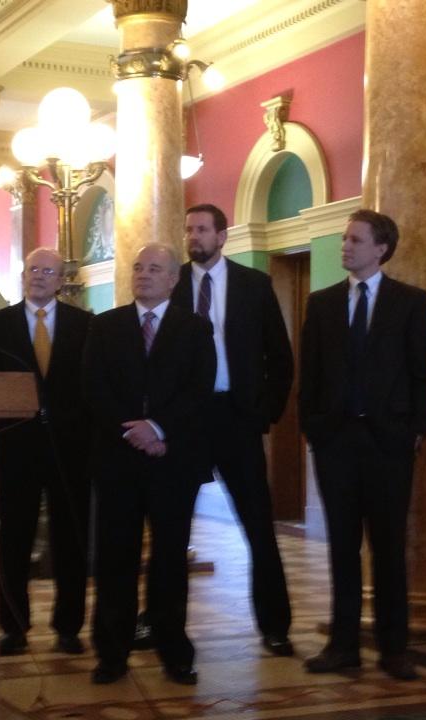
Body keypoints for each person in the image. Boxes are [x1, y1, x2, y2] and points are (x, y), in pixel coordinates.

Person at [137, 203, 296, 656]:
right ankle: (159, 621)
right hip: (182, 420)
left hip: (237, 418)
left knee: (258, 525)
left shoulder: (254, 285)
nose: (194, 237)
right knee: (170, 528)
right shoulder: (173, 285)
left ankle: (275, 625)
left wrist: (264, 414)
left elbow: (279, 357)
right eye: (189, 229)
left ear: (222, 236)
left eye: (203, 229)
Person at [298, 208, 426, 681]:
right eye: (344, 238)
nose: (346, 246)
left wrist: (415, 430)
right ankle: (343, 646)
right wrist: (313, 428)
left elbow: (422, 374)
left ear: (381, 248)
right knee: (341, 547)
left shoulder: (409, 302)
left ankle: (394, 649)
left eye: (356, 240)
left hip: (388, 445)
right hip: (335, 442)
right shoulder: (321, 304)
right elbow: (310, 374)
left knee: (389, 547)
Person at [81, 244, 215, 685]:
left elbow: (199, 389)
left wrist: (158, 429)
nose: (143, 274)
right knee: (115, 558)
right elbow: (94, 388)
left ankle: (173, 651)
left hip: (172, 461)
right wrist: (133, 432)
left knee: (170, 559)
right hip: (118, 460)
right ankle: (112, 654)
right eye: (138, 267)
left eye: (154, 268)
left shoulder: (195, 328)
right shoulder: (106, 325)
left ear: (173, 278)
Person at [0, 248, 93, 657]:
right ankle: (13, 627)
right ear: (23, 275)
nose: (39, 276)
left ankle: (69, 627)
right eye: (33, 269)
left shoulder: (85, 324)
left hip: (71, 450)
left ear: (61, 281)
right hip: (18, 448)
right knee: (14, 538)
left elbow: (92, 385)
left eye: (48, 271)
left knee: (71, 540)